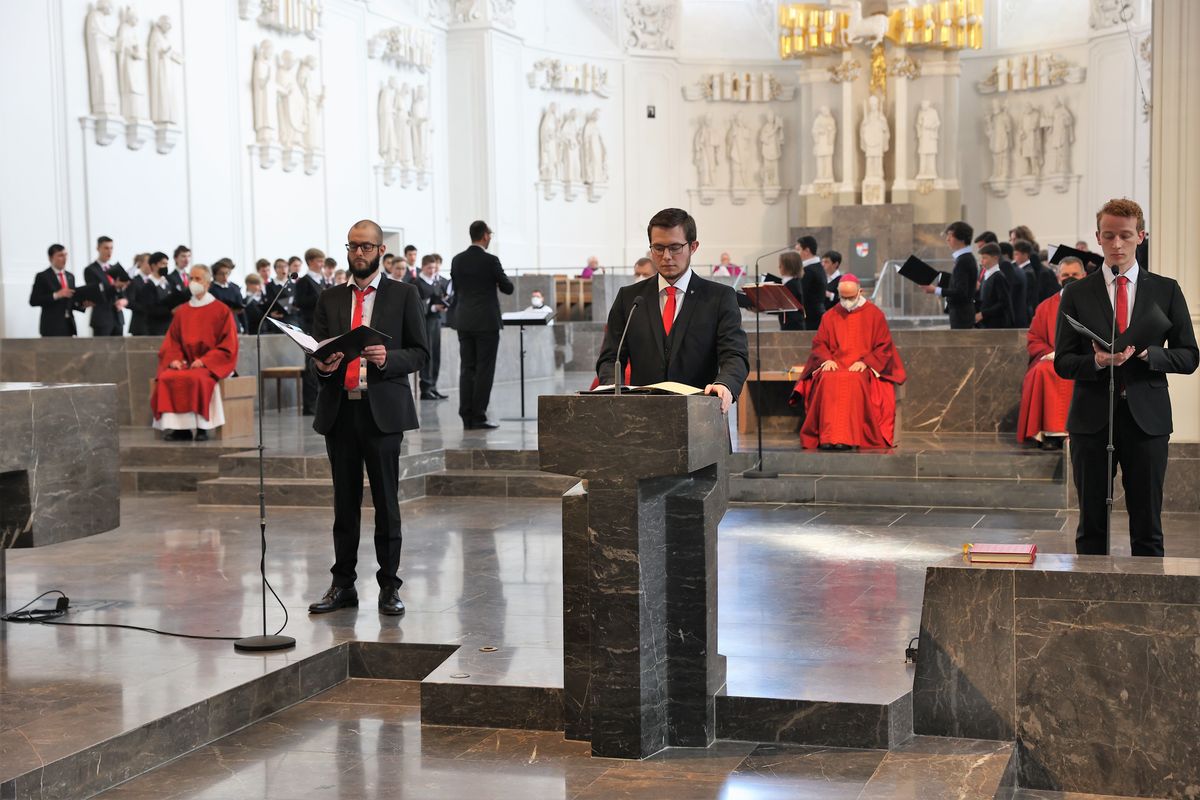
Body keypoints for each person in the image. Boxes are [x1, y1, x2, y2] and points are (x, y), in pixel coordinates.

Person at [1054, 198, 1198, 556]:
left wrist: (1151, 354)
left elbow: (1189, 356)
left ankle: (1149, 605)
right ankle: (1088, 604)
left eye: (1125, 236)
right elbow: (1064, 362)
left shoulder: (1165, 290)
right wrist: (1099, 362)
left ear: (1141, 236)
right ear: (1098, 238)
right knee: (1090, 525)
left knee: (1148, 523)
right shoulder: (1077, 292)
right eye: (1109, 236)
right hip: (1091, 418)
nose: (1117, 244)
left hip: (1147, 419)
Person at [307, 219, 429, 616]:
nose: (358, 253)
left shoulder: (403, 295)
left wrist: (388, 359)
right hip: (340, 412)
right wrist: (324, 365)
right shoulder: (328, 299)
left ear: (381, 251)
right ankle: (343, 585)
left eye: (366, 247)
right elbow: (316, 356)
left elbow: (421, 353)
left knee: (386, 505)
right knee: (344, 505)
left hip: (382, 414)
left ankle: (389, 587)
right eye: (352, 246)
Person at [596, 207, 748, 413]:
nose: (666, 256)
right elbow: (610, 357)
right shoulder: (629, 298)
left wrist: (725, 384)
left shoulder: (719, 297)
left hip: (701, 414)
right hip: (640, 416)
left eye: (675, 247)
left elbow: (734, 354)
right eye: (658, 248)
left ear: (693, 247)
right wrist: (611, 387)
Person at [790, 274, 905, 450]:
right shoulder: (830, 315)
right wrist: (826, 359)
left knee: (853, 380)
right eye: (843, 297)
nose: (847, 301)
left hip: (862, 367)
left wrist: (867, 362)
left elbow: (884, 346)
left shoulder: (875, 315)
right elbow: (820, 343)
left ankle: (849, 438)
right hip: (835, 364)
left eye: (851, 297)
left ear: (860, 291)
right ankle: (828, 438)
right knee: (827, 379)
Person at [150, 263, 239, 442]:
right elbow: (172, 341)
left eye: (197, 278)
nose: (193, 282)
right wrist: (174, 359)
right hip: (185, 362)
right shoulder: (182, 311)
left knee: (198, 379)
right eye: (191, 278)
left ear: (207, 283)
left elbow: (228, 344)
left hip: (208, 363)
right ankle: (179, 429)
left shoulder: (221, 310)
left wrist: (206, 361)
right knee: (168, 378)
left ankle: (202, 427)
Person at [449, 220, 513, 429]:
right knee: (484, 369)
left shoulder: (457, 260)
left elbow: (457, 288)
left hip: (464, 321)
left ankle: (466, 414)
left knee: (467, 368)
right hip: (486, 322)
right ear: (485, 235)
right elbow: (508, 288)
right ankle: (479, 415)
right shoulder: (491, 260)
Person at [1018, 257, 1084, 448]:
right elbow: (1034, 338)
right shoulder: (1045, 306)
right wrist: (1051, 352)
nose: (1069, 278)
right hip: (1052, 358)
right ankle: (1050, 433)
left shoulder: (1096, 302)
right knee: (1043, 371)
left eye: (1074, 275)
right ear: (1057, 278)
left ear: (1084, 276)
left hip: (1085, 359)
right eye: (1065, 275)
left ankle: (1079, 432)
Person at [293, 247, 329, 415]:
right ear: (310, 262)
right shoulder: (304, 281)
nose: (321, 264)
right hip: (309, 327)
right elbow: (299, 302)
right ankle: (309, 405)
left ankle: (320, 400)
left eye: (322, 260)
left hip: (321, 327)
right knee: (310, 367)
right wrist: (320, 297)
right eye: (318, 261)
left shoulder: (322, 280)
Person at [923, 221, 977, 329]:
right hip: (961, 312)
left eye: (950, 235)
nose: (947, 239)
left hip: (961, 313)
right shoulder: (965, 258)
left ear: (961, 238)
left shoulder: (963, 260)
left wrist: (935, 290)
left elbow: (961, 292)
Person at [414, 254, 448, 400]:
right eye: (429, 268)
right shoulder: (416, 282)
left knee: (436, 354)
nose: (432, 270)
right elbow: (415, 304)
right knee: (428, 354)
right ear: (423, 267)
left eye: (434, 268)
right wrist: (432, 307)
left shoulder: (436, 282)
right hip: (425, 322)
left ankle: (433, 385)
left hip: (436, 321)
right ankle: (426, 388)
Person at [29, 244, 83, 337]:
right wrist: (56, 295)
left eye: (66, 255)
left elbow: (70, 301)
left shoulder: (70, 276)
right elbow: (33, 301)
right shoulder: (42, 276)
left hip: (69, 326)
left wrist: (82, 305)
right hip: (51, 327)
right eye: (60, 255)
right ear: (50, 258)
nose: (64, 258)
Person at [84, 235, 129, 336]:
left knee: (119, 350)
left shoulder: (115, 269)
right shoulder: (91, 270)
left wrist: (124, 300)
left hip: (117, 317)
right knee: (102, 350)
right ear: (98, 248)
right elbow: (97, 293)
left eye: (111, 248)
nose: (109, 251)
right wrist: (115, 287)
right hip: (102, 318)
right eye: (106, 248)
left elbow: (122, 292)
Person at [139, 251, 187, 336]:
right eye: (163, 264)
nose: (165, 267)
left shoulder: (170, 282)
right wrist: (170, 312)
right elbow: (150, 309)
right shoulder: (147, 287)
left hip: (172, 326)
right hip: (156, 329)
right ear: (153, 266)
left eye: (166, 264)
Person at [1015, 239, 1056, 320]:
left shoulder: (1030, 271)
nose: (1014, 257)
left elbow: (1033, 296)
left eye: (1016, 254)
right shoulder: (1021, 269)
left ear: (1025, 254)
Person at [975, 243, 1013, 328]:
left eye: (985, 258)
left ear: (995, 258)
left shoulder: (998, 276)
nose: (982, 261)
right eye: (981, 258)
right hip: (986, 322)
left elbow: (1003, 302)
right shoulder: (986, 275)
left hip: (996, 323)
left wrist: (983, 314)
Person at [795, 235, 826, 330]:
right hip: (814, 315)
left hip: (811, 318)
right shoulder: (816, 267)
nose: (796, 254)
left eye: (798, 250)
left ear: (807, 251)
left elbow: (801, 294)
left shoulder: (809, 270)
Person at [997, 240, 1029, 328]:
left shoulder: (1007, 269)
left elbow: (1009, 296)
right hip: (1020, 316)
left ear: (1005, 255)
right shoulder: (1018, 269)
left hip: (1013, 320)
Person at [208, 259, 246, 332]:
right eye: (221, 274)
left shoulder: (235, 288)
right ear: (215, 275)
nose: (225, 276)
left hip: (234, 324)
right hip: (217, 325)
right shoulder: (210, 289)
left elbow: (241, 311)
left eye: (227, 273)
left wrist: (246, 329)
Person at [777, 251, 805, 331]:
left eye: (781, 264)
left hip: (793, 324)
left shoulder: (792, 284)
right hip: (788, 322)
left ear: (789, 266)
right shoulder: (789, 282)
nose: (779, 267)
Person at [126, 252, 152, 335]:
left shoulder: (153, 281)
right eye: (148, 262)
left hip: (153, 325)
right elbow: (129, 302)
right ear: (140, 263)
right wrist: (146, 308)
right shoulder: (134, 281)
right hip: (140, 325)